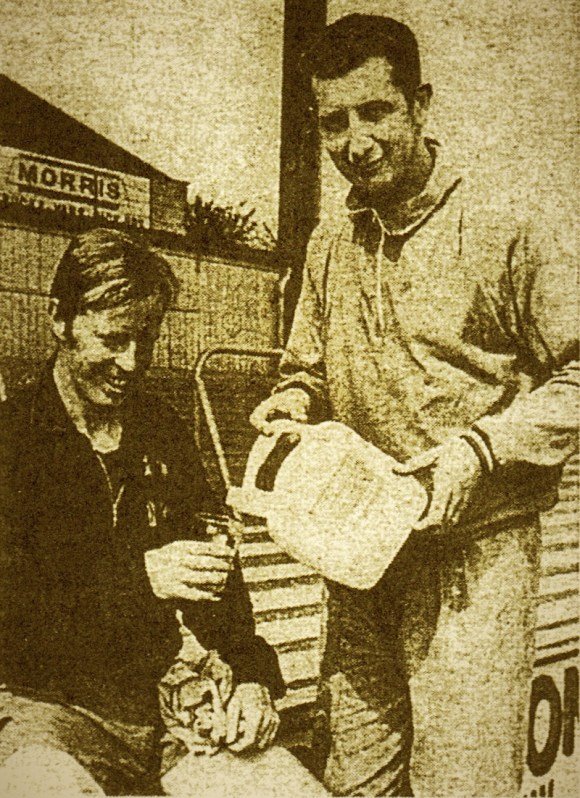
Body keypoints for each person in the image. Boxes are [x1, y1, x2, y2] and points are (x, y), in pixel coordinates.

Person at [251, 14, 578, 798]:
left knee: (459, 786)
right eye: (334, 122)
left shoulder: (505, 221)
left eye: (376, 112)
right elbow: (306, 369)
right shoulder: (330, 240)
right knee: (356, 780)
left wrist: (480, 450)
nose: (355, 142)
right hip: (358, 555)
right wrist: (290, 404)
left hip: (475, 558)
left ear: (420, 104)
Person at [0, 228, 284, 795]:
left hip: (166, 706)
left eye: (146, 339)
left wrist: (252, 678)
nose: (132, 362)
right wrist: (140, 579)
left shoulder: (162, 429)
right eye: (113, 338)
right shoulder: (12, 441)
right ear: (60, 320)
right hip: (44, 709)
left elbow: (217, 581)